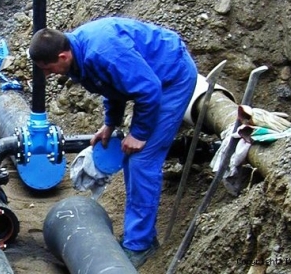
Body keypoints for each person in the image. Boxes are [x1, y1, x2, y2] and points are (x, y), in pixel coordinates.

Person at [28, 16, 198, 268]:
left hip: (171, 78)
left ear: (63, 57)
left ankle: (141, 245)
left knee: (142, 160)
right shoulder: (79, 58)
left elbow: (148, 89)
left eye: (48, 68)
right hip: (152, 80)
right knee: (132, 157)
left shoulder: (102, 52)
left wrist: (139, 134)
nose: (48, 74)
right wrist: (110, 124)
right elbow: (111, 86)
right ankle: (141, 235)